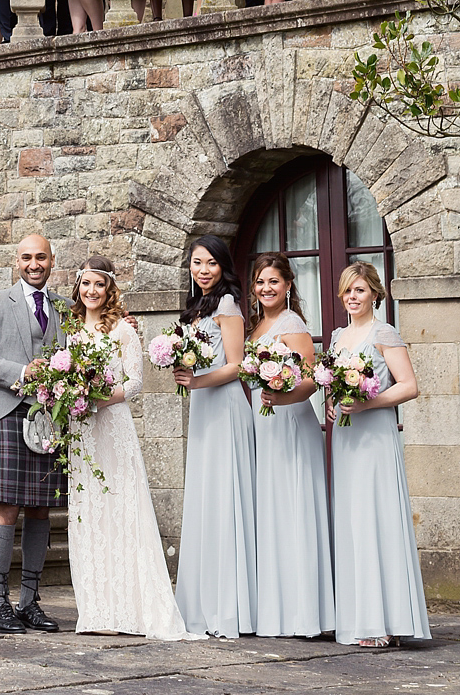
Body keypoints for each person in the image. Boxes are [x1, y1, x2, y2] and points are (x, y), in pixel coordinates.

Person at [68, 256, 188, 640]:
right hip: (81, 431)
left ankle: (131, 610)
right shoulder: (70, 328)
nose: (91, 291)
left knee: (121, 509)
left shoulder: (123, 329)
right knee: (89, 514)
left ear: (110, 289)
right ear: (78, 287)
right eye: (86, 284)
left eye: (98, 285)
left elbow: (136, 382)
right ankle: (97, 611)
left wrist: (100, 400)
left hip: (112, 425)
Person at [0, 233, 67, 635]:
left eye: (41, 257)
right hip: (6, 412)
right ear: (16, 262)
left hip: (50, 419)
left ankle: (29, 601)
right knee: (6, 506)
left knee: (41, 508)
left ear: (51, 260)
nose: (34, 264)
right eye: (26, 257)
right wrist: (22, 373)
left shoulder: (64, 307)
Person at [328, 262, 429, 649]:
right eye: (347, 291)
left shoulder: (384, 332)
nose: (353, 297)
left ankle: (386, 620)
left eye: (360, 290)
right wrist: (335, 405)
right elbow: (335, 386)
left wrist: (366, 405)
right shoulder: (338, 337)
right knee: (353, 521)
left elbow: (409, 386)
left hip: (375, 437)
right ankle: (358, 618)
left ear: (374, 293)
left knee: (376, 517)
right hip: (347, 437)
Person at [246, 252, 333, 640]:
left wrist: (282, 399)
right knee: (273, 513)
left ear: (288, 286)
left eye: (274, 282)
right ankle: (277, 611)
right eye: (260, 282)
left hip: (290, 424)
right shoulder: (255, 325)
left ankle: (304, 614)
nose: (266, 288)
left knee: (294, 511)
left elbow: (311, 379)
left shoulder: (291, 324)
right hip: (264, 426)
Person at [173, 234, 256, 639]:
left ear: (223, 266)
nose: (203, 271)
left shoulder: (228, 306)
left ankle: (227, 607)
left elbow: (238, 365)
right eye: (196, 263)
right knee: (205, 499)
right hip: (204, 409)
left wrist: (197, 379)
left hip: (224, 408)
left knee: (223, 500)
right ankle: (200, 605)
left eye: (210, 263)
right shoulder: (196, 308)